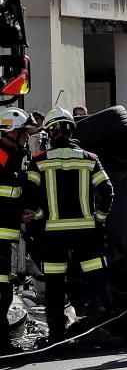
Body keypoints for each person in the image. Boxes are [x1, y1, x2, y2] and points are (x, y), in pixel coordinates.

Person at [23, 108, 114, 346]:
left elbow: (30, 197)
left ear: (50, 132)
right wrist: (99, 218)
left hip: (52, 235)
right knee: (96, 281)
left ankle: (56, 336)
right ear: (72, 130)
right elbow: (107, 191)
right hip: (87, 233)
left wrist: (41, 216)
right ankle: (98, 330)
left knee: (54, 285)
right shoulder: (90, 158)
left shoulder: (39, 161)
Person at [0, 108, 30, 354]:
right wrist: (21, 178)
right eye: (24, 132)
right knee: (1, 288)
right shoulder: (1, 154)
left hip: (5, 232)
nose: (27, 137)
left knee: (5, 286)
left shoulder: (12, 154)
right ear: (11, 131)